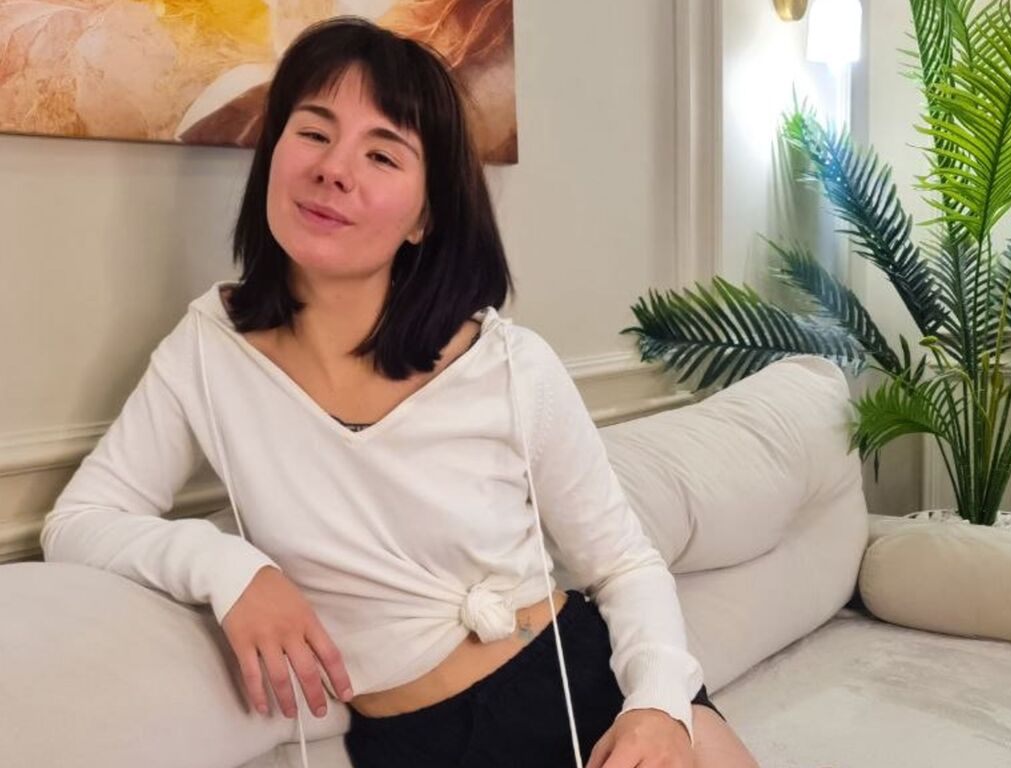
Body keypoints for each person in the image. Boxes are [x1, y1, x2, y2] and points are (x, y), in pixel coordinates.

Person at [40, 16, 759, 768]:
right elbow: (79, 522)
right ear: (275, 152)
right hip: (413, 743)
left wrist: (658, 707)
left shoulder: (510, 366)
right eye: (313, 133)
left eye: (381, 153)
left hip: (594, 696)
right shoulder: (206, 355)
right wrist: (228, 568)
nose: (334, 169)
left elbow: (625, 564)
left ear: (425, 216)